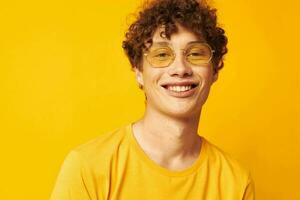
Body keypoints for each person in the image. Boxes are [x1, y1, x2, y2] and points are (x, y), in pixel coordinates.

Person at [50, 0, 255, 199]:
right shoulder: (87, 168)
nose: (181, 69)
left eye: (195, 53)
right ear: (139, 71)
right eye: (162, 54)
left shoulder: (236, 182)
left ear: (215, 70)